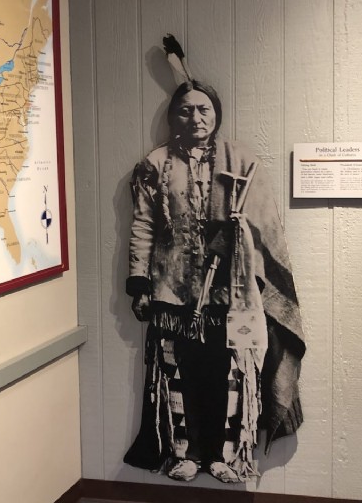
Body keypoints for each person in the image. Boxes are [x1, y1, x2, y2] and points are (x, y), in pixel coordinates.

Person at [123, 80, 305, 483]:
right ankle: (185, 453)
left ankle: (225, 455)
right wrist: (139, 282)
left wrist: (239, 238)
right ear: (174, 116)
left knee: (229, 372)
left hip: (231, 293)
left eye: (204, 109)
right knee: (179, 371)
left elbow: (263, 221)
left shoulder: (239, 160)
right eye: (186, 110)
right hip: (173, 291)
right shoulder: (155, 164)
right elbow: (144, 225)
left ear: (216, 114)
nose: (196, 117)